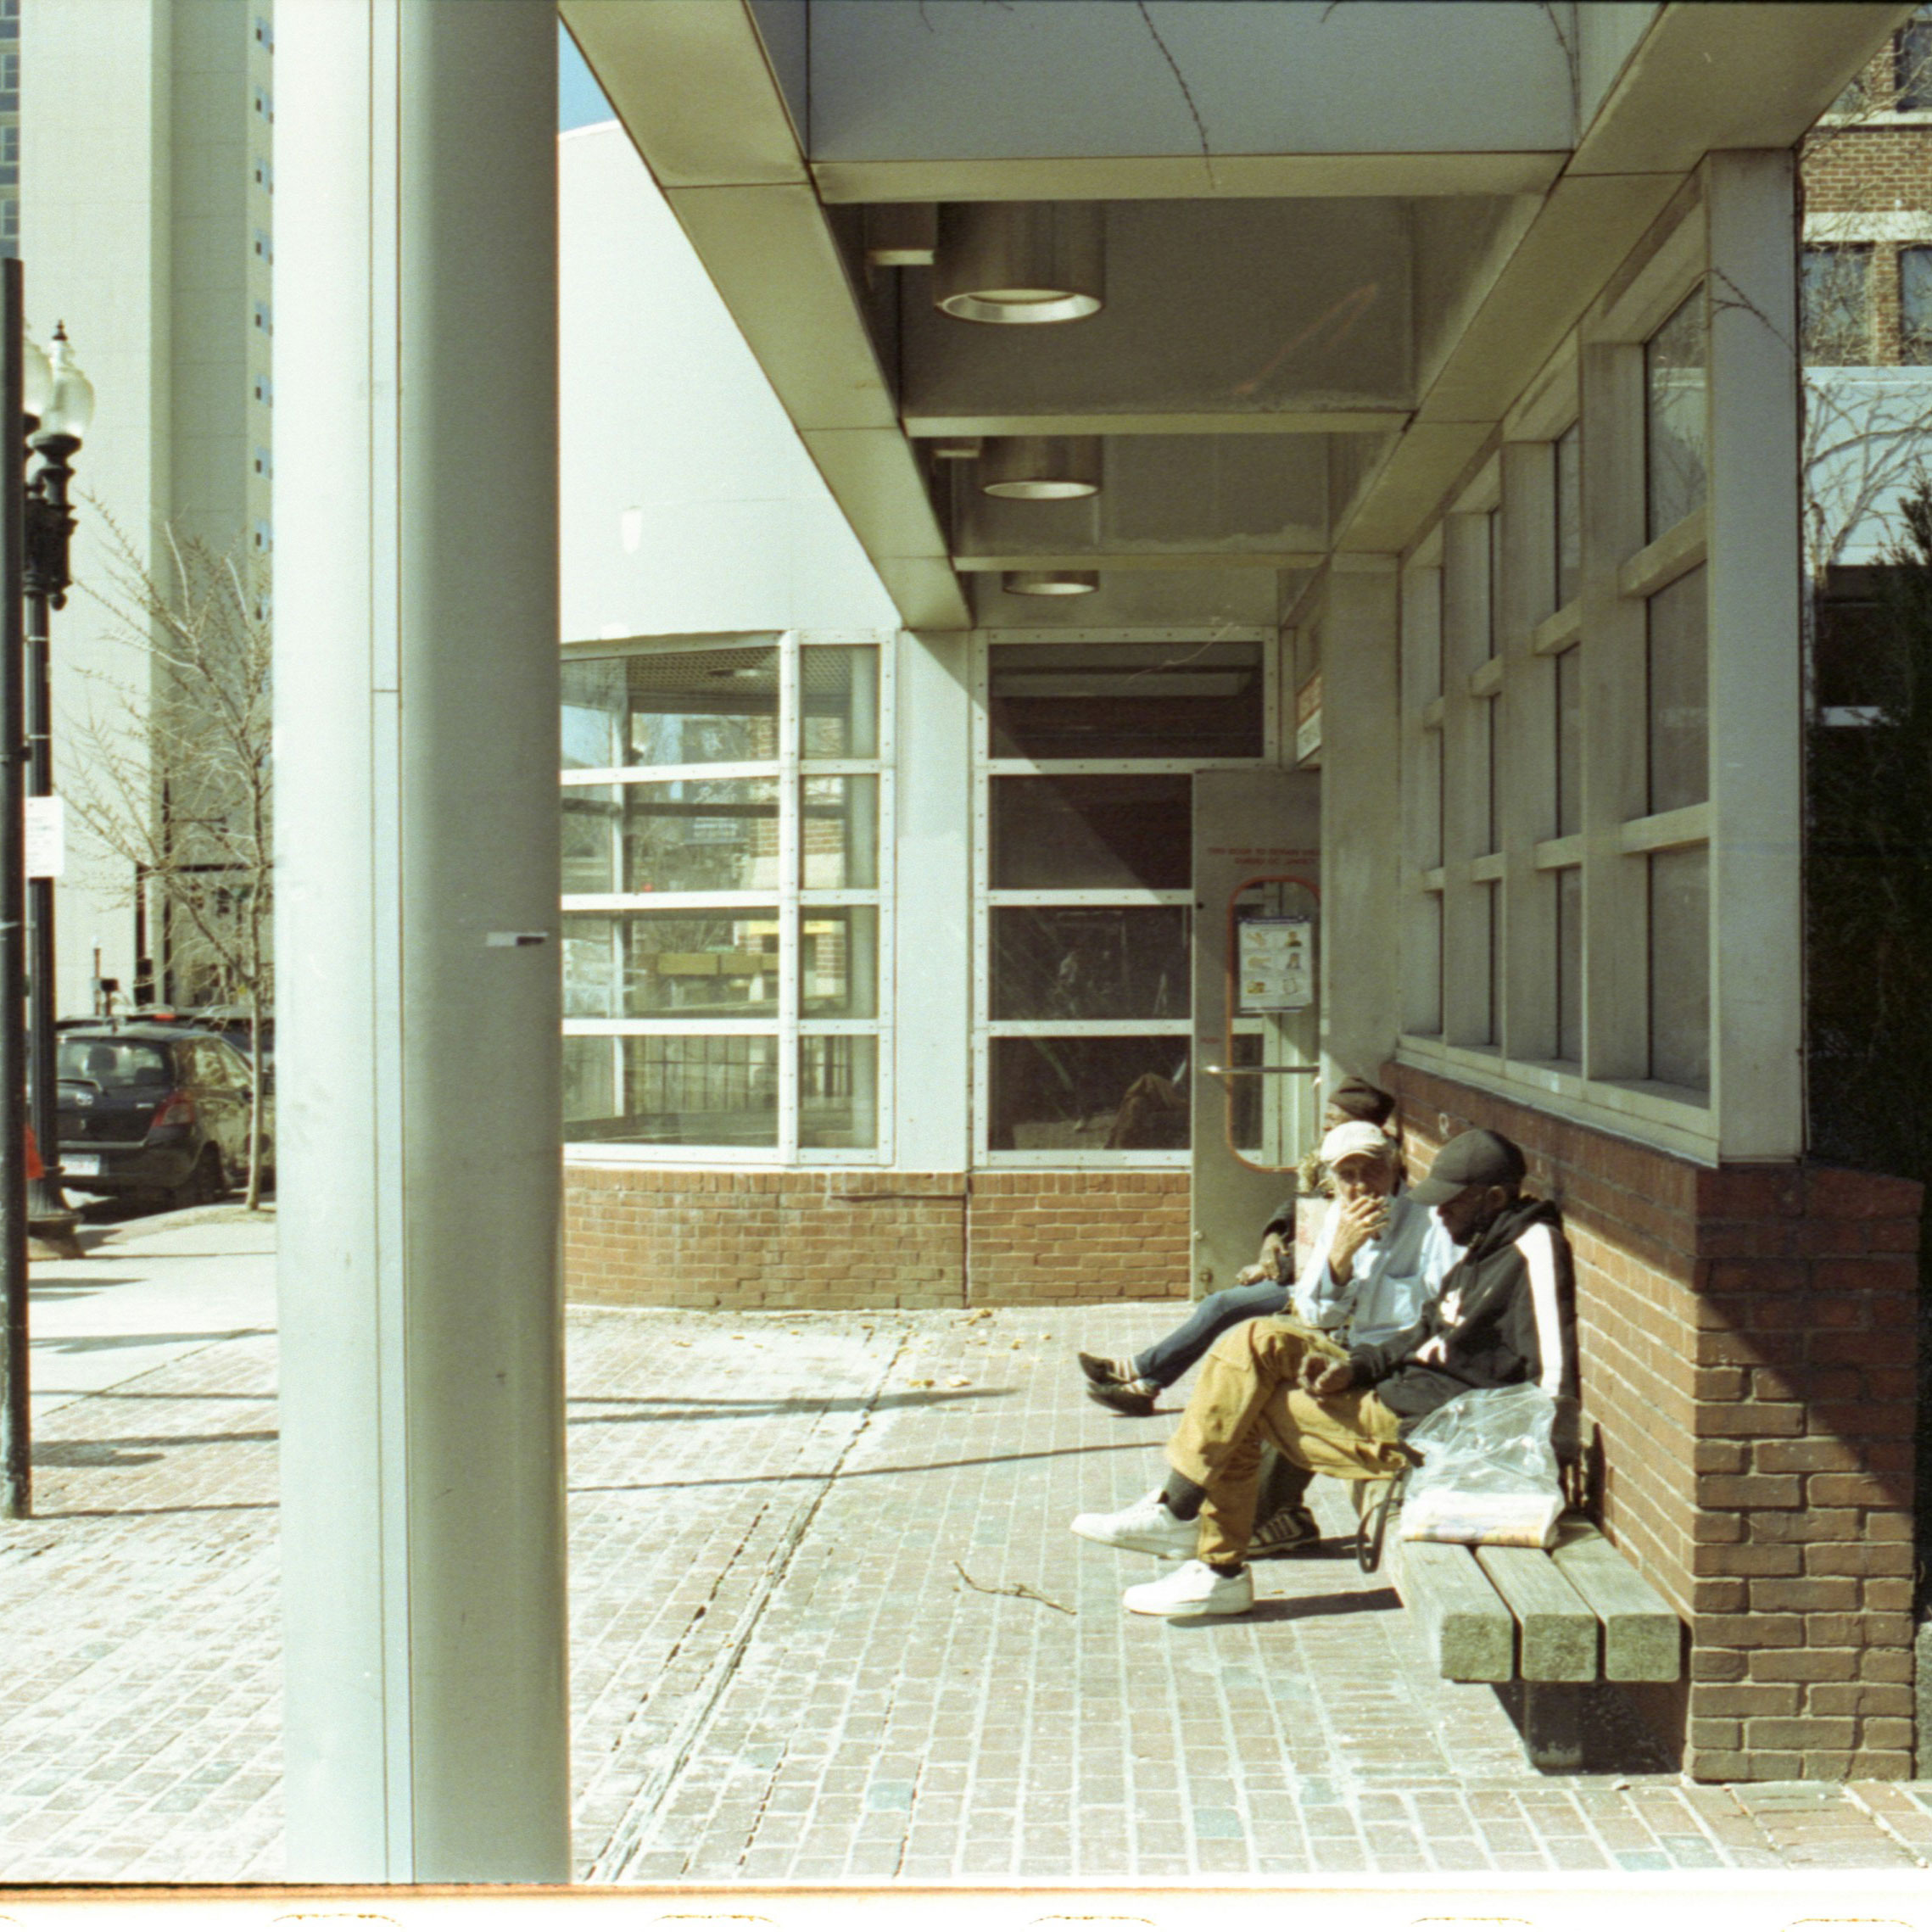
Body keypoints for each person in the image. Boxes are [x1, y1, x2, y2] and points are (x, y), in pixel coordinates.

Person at [1069, 1129, 1578, 1618]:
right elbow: (1422, 1327)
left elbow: (1555, 1372)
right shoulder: (1483, 1242)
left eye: (1452, 1201)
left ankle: (1202, 1546)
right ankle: (1187, 1527)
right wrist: (1352, 1369)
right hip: (1389, 1390)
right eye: (1345, 1174)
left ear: (1492, 1198)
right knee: (1256, 1338)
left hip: (1426, 1432)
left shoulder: (1532, 1247)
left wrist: (1537, 1469)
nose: (1439, 1210)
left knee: (1244, 1403)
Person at [1076, 1075, 1412, 1420]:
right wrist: (1273, 1236)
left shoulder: (1367, 1174)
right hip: (1305, 1271)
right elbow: (1300, 1204)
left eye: (1334, 1122)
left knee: (1222, 1304)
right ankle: (1144, 1382)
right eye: (1325, 1121)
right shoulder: (1333, 1161)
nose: (1325, 1129)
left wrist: (1273, 1269)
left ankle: (1140, 1373)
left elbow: (1340, 1248)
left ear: (1361, 1129)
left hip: (1328, 1288)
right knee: (1221, 1305)